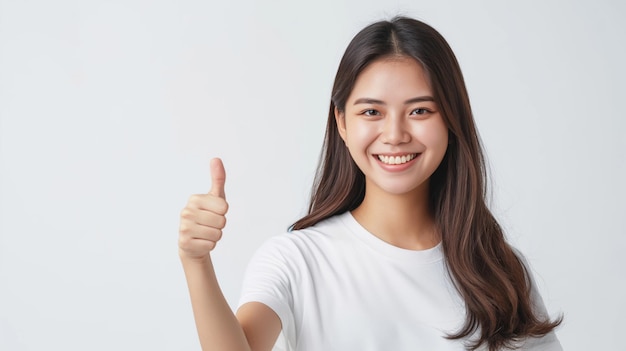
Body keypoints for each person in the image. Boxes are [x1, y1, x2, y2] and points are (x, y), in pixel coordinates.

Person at [178, 16, 563, 351]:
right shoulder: (296, 260)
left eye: (419, 110)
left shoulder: (496, 269)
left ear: (450, 119)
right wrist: (196, 263)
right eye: (372, 112)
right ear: (342, 122)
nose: (394, 134)